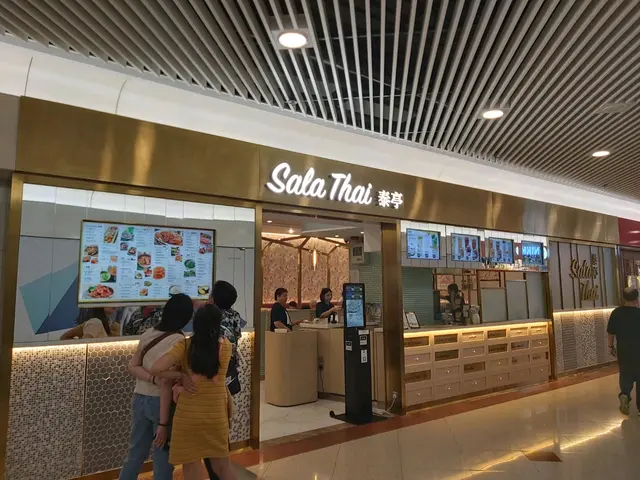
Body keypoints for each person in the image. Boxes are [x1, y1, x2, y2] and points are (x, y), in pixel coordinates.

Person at [150, 304, 236, 480]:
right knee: (222, 467)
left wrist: (180, 374)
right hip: (216, 416)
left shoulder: (184, 345)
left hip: (188, 417)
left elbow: (156, 368)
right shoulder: (226, 347)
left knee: (191, 465)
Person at [118, 294, 194, 480]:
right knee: (163, 456)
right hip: (161, 404)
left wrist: (152, 379)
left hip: (139, 399)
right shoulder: (178, 341)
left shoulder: (148, 334)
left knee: (135, 453)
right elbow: (166, 383)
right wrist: (163, 423)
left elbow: (132, 366)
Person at [607, 287, 640, 416]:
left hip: (624, 350)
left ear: (623, 298)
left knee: (625, 374)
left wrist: (610, 346)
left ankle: (625, 394)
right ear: (637, 299)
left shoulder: (616, 313)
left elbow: (610, 332)